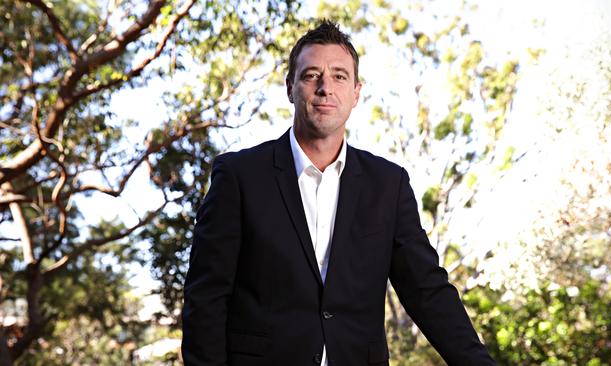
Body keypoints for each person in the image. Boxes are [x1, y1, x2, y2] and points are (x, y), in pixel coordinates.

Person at [182, 20, 496, 366]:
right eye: (311, 75)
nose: (325, 87)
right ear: (290, 87)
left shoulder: (388, 185)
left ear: (356, 93)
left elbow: (427, 290)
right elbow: (206, 298)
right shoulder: (240, 176)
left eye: (339, 76)